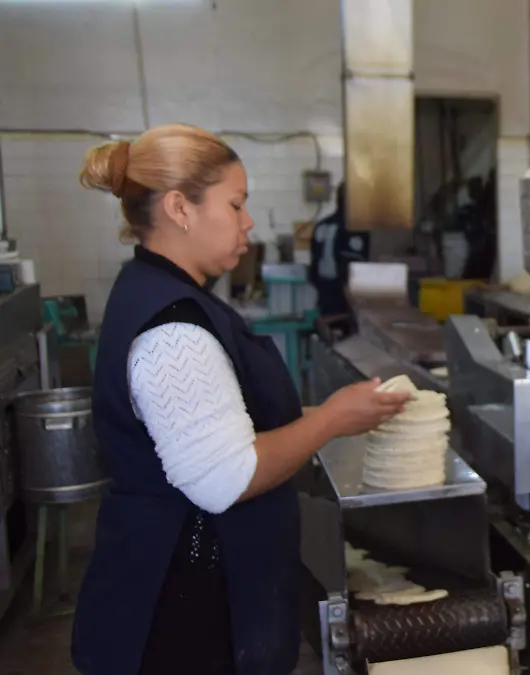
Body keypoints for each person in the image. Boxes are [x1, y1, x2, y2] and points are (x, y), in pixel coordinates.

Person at [71, 124, 410, 675]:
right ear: (180, 208)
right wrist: (329, 420)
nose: (247, 221)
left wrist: (340, 416)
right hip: (183, 618)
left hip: (200, 597)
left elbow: (224, 426)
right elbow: (225, 478)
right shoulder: (173, 331)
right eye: (235, 204)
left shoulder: (163, 292)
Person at [309, 181, 370, 318]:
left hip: (324, 295)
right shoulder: (357, 229)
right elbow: (351, 269)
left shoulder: (321, 225)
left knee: (330, 327)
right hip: (348, 301)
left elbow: (313, 264)